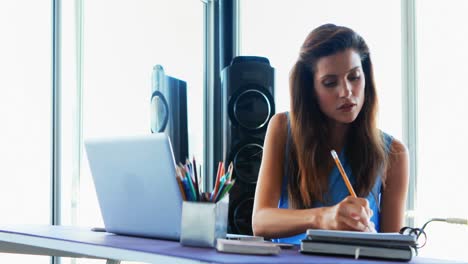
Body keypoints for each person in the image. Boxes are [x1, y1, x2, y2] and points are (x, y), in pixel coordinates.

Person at [252, 24, 409, 244]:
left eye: (354, 77)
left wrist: (374, 240)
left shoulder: (394, 153)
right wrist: (322, 217)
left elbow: (393, 250)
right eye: (330, 83)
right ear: (310, 89)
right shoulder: (282, 129)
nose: (346, 92)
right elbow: (260, 222)